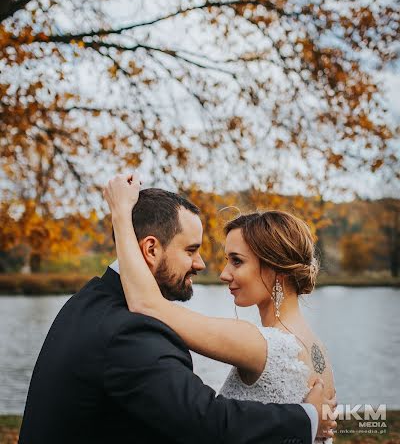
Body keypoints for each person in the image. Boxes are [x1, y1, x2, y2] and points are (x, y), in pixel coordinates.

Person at [19, 179, 336, 444]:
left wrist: (119, 213)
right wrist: (307, 419)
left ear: (274, 268)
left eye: (236, 261)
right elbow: (204, 421)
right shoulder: (316, 347)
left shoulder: (87, 302)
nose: (212, 269)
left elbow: (148, 305)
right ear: (151, 249)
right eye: (191, 250)